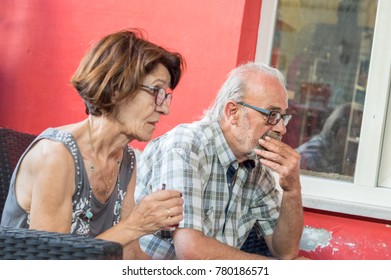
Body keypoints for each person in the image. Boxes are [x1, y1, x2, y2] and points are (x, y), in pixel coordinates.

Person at [1, 29, 185, 259]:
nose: (165, 108)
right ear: (118, 88)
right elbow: (50, 267)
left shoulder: (124, 158)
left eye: (166, 95)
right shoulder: (56, 156)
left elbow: (130, 254)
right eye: (156, 91)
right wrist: (137, 224)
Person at [135, 62, 305, 260]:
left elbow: (285, 251)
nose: (281, 129)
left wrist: (293, 189)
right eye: (271, 115)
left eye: (283, 117)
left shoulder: (257, 168)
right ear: (233, 112)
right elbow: (191, 251)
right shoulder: (185, 147)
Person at [296, 102, 362, 175]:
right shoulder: (314, 154)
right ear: (339, 128)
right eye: (354, 131)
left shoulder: (337, 153)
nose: (356, 138)